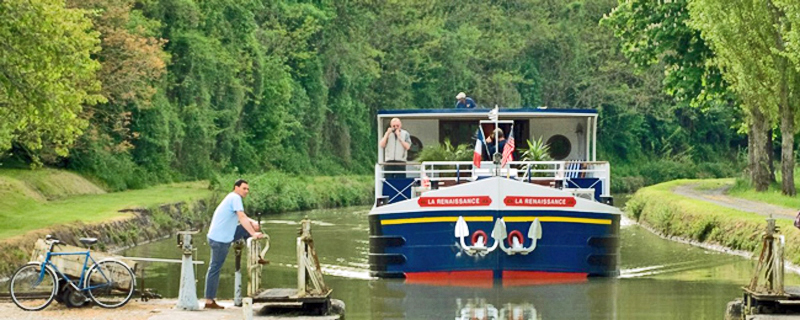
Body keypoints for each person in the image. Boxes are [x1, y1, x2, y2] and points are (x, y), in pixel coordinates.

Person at [204, 179, 265, 310]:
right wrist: (253, 233)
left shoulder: (232, 198)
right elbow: (241, 217)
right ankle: (209, 300)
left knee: (246, 229)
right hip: (220, 240)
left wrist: (253, 223)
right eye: (244, 188)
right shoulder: (235, 198)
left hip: (226, 235)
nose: (246, 191)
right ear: (236, 188)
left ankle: (257, 255)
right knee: (215, 268)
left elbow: (240, 216)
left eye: (248, 189)